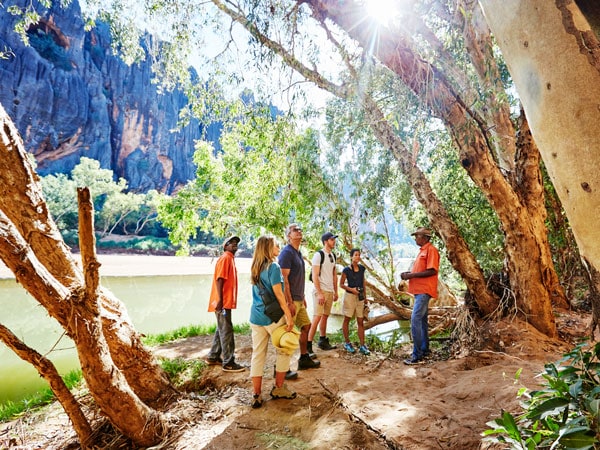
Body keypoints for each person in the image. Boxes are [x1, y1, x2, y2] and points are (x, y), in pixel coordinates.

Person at [249, 236, 298, 408]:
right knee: (284, 351)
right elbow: (279, 294)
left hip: (256, 316)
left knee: (258, 354)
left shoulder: (255, 266)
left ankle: (256, 394)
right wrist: (289, 316)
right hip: (273, 318)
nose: (279, 247)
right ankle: (278, 388)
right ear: (269, 248)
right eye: (276, 245)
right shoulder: (274, 266)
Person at [278, 224, 321, 370]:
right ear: (289, 235)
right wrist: (289, 302)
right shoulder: (286, 253)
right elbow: (284, 280)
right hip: (291, 300)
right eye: (295, 230)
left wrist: (302, 297)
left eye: (300, 229)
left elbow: (298, 278)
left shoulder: (298, 253)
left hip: (298, 299)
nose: (299, 231)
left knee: (306, 326)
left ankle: (303, 358)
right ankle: (282, 368)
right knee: (288, 332)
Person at [205, 235, 245, 372]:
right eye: (231, 242)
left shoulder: (230, 258)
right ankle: (229, 362)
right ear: (225, 246)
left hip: (225, 301)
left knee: (222, 327)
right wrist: (220, 301)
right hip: (222, 302)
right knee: (227, 330)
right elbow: (219, 279)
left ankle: (213, 356)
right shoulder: (226, 258)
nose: (234, 244)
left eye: (236, 243)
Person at [400, 227, 440, 365]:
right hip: (419, 291)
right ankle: (424, 349)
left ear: (424, 237)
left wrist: (411, 275)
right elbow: (421, 270)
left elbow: (432, 271)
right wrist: (409, 274)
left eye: (417, 236)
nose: (415, 238)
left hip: (424, 291)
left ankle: (416, 355)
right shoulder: (422, 251)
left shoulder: (431, 250)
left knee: (415, 319)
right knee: (422, 320)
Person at [307, 231, 339, 353]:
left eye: (334, 239)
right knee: (317, 317)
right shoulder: (318, 255)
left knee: (325, 316)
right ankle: (308, 345)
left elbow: (334, 274)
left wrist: (335, 291)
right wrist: (319, 293)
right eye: (332, 239)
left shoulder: (333, 255)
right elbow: (315, 275)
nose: (334, 241)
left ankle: (322, 340)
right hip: (320, 291)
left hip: (329, 290)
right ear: (326, 241)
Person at [340, 248, 370, 355]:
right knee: (347, 318)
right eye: (356, 255)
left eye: (359, 255)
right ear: (351, 256)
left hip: (360, 297)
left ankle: (362, 345)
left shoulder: (362, 269)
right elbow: (342, 284)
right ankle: (347, 342)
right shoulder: (346, 270)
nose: (358, 257)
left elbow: (363, 282)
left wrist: (365, 297)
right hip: (350, 297)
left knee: (360, 321)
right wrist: (352, 290)